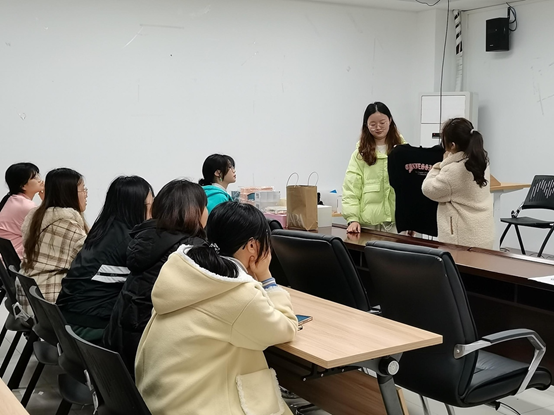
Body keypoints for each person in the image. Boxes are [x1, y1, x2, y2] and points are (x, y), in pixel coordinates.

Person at [136, 202, 297, 415]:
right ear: (252, 246)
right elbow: (286, 328)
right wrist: (266, 277)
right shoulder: (237, 292)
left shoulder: (186, 270)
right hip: (197, 408)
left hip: (158, 401)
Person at [103, 179, 207, 376]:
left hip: (121, 348)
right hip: (149, 358)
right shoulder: (189, 249)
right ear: (194, 211)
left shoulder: (145, 237)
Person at [56, 176, 154, 343]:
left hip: (69, 316)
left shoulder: (104, 229)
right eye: (150, 205)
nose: (153, 212)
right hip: (87, 325)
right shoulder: (129, 242)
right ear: (135, 207)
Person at [17, 168, 88, 314]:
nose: (86, 194)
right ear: (69, 193)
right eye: (82, 189)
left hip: (30, 292)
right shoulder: (65, 224)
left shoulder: (38, 216)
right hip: (47, 300)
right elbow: (90, 259)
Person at [422, 118, 494, 249]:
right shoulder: (481, 161)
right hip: (483, 233)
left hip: (461, 240)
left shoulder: (453, 170)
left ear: (453, 145)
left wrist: (439, 166)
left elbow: (428, 189)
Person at [342, 102, 405, 234]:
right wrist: (352, 219)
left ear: (390, 120)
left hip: (398, 224)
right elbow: (351, 189)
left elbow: (411, 190)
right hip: (368, 224)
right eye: (372, 124)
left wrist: (412, 221)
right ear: (366, 124)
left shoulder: (403, 151)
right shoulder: (360, 155)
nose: (378, 127)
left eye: (382, 123)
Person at [0, 163, 44, 259]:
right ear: (23, 186)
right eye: (34, 178)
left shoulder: (12, 199)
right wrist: (47, 200)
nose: (40, 180)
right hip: (13, 259)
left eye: (38, 175)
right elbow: (47, 228)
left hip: (7, 257)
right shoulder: (26, 206)